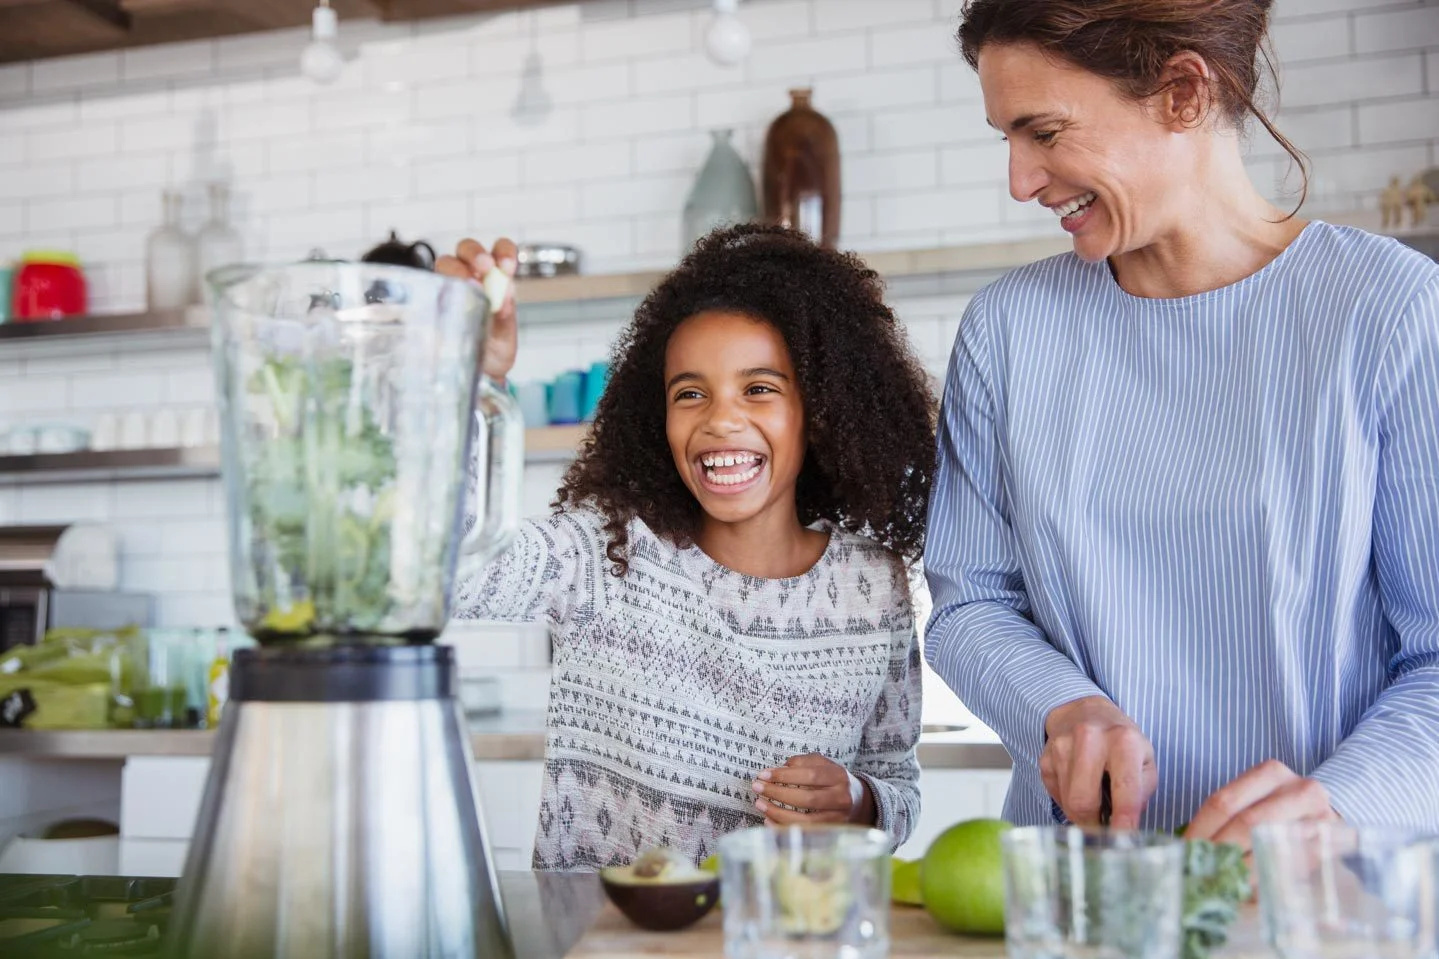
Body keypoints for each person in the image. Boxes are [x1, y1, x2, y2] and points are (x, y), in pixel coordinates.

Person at [923, 0, 1439, 848]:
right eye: (1005, 138)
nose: (1019, 180)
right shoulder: (1007, 330)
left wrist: (1335, 807)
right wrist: (1061, 704)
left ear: (1183, 94)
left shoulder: (1390, 313)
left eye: (1042, 132)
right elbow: (971, 601)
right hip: (1078, 883)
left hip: (1318, 893)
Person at [440, 224, 937, 870]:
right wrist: (468, 383)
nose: (719, 419)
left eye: (759, 388)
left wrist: (858, 801)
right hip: (604, 927)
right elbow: (449, 568)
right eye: (690, 394)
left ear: (820, 410)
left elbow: (896, 783)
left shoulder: (874, 585)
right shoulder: (606, 554)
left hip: (786, 923)